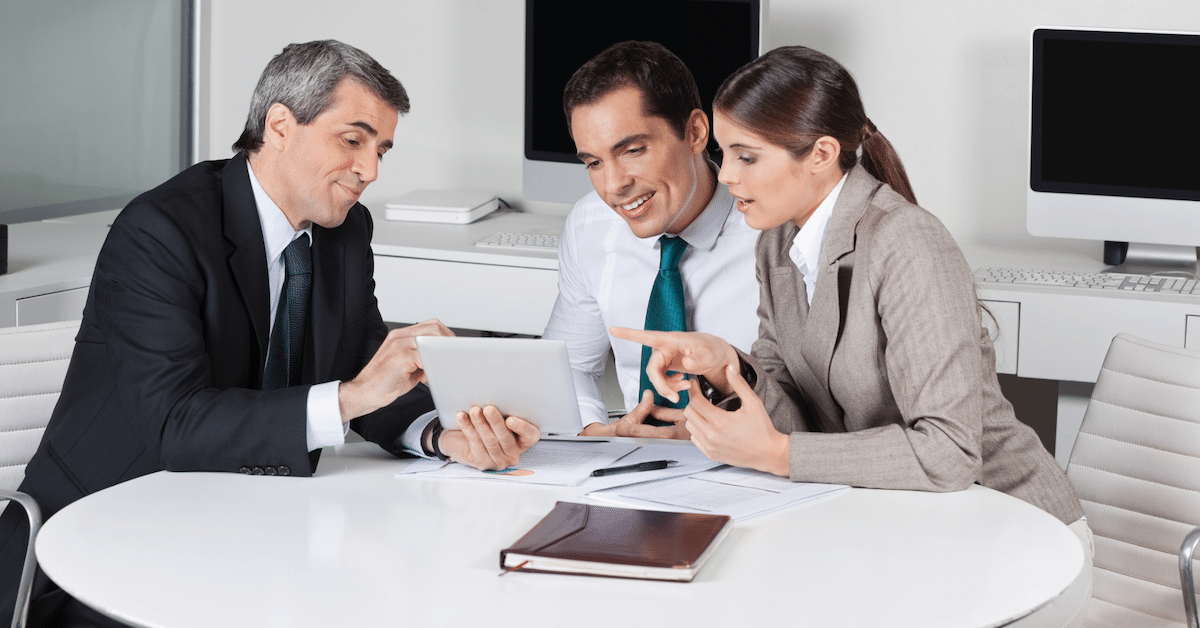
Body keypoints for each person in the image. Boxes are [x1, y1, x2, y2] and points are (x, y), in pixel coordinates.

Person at [0, 40, 537, 627]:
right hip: (94, 545)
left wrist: (439, 435)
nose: (371, 170)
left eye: (381, 150)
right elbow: (175, 425)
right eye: (352, 141)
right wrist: (352, 395)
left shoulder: (344, 229)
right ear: (280, 125)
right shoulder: (161, 230)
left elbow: (359, 359)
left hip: (244, 525)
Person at [616, 45, 1091, 559]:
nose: (726, 174)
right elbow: (793, 404)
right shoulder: (777, 241)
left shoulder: (907, 243)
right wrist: (727, 365)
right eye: (724, 153)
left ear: (820, 155)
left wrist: (779, 454)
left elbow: (949, 453)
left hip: (1011, 530)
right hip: (901, 521)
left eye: (747, 156)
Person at [543, 41, 760, 438]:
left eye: (633, 150)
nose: (614, 185)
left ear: (695, 131)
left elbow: (818, 398)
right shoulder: (591, 225)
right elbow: (567, 364)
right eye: (593, 162)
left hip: (755, 469)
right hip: (638, 469)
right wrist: (594, 431)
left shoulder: (770, 229)